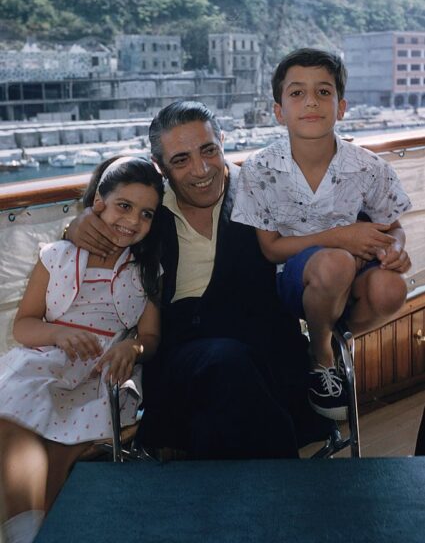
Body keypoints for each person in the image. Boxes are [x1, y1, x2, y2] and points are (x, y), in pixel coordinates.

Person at [67, 100, 332, 462]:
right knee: (226, 366)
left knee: (223, 400)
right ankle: (283, 496)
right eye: (181, 160)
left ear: (223, 141)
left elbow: (341, 211)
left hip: (265, 354)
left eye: (209, 150)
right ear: (160, 167)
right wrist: (78, 223)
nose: (201, 168)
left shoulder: (265, 190)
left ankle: (229, 502)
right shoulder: (149, 212)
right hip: (182, 358)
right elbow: (104, 213)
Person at [232, 48, 412, 421]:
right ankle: (322, 356)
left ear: (341, 107)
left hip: (353, 278)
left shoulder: (367, 166)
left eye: (323, 92)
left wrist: (394, 249)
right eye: (297, 93)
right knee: (334, 261)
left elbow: (393, 227)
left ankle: (328, 332)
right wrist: (341, 237)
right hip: (296, 284)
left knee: (392, 288)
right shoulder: (260, 169)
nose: (311, 101)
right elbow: (270, 250)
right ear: (279, 110)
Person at [0, 156, 163, 543]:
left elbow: (152, 338)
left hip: (105, 369)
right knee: (15, 426)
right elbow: (25, 324)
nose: (133, 221)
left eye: (146, 214)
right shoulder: (56, 256)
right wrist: (57, 335)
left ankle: (48, 529)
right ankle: (26, 530)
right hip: (46, 362)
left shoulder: (146, 269)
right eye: (124, 206)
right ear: (98, 203)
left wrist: (134, 348)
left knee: (64, 441)